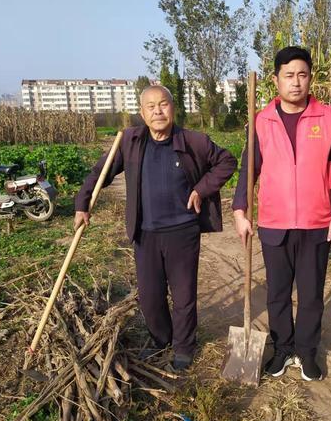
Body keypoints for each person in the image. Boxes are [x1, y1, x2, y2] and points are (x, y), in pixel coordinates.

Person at [74, 85, 237, 371]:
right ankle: (162, 339)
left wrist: (201, 189)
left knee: (184, 295)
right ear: (142, 113)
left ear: (173, 108)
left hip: (182, 232)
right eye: (151, 106)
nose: (158, 111)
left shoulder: (193, 141)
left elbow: (227, 161)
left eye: (163, 104)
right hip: (146, 233)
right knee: (150, 297)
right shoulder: (130, 141)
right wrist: (82, 203)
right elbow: (102, 172)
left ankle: (185, 346)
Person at [232, 46, 331, 381]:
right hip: (274, 222)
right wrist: (241, 209)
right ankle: (282, 349)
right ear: (276, 80)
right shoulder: (261, 119)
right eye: (289, 75)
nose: (296, 82)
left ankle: (307, 352)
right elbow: (248, 168)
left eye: (302, 75)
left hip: (316, 222)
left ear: (310, 78)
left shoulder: (329, 117)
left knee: (311, 294)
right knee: (278, 294)